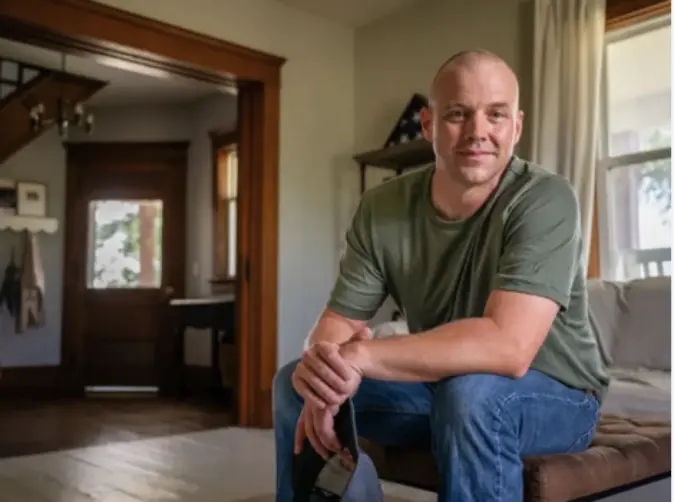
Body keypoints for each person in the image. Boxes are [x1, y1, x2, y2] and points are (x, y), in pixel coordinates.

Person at [272, 49, 610, 502]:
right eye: (458, 114)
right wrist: (325, 363)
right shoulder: (382, 208)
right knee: (297, 382)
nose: (478, 132)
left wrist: (364, 356)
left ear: (517, 126)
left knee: (470, 396)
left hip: (558, 395)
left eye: (496, 115)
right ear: (428, 125)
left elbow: (508, 347)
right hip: (439, 385)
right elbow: (340, 321)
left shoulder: (546, 199)